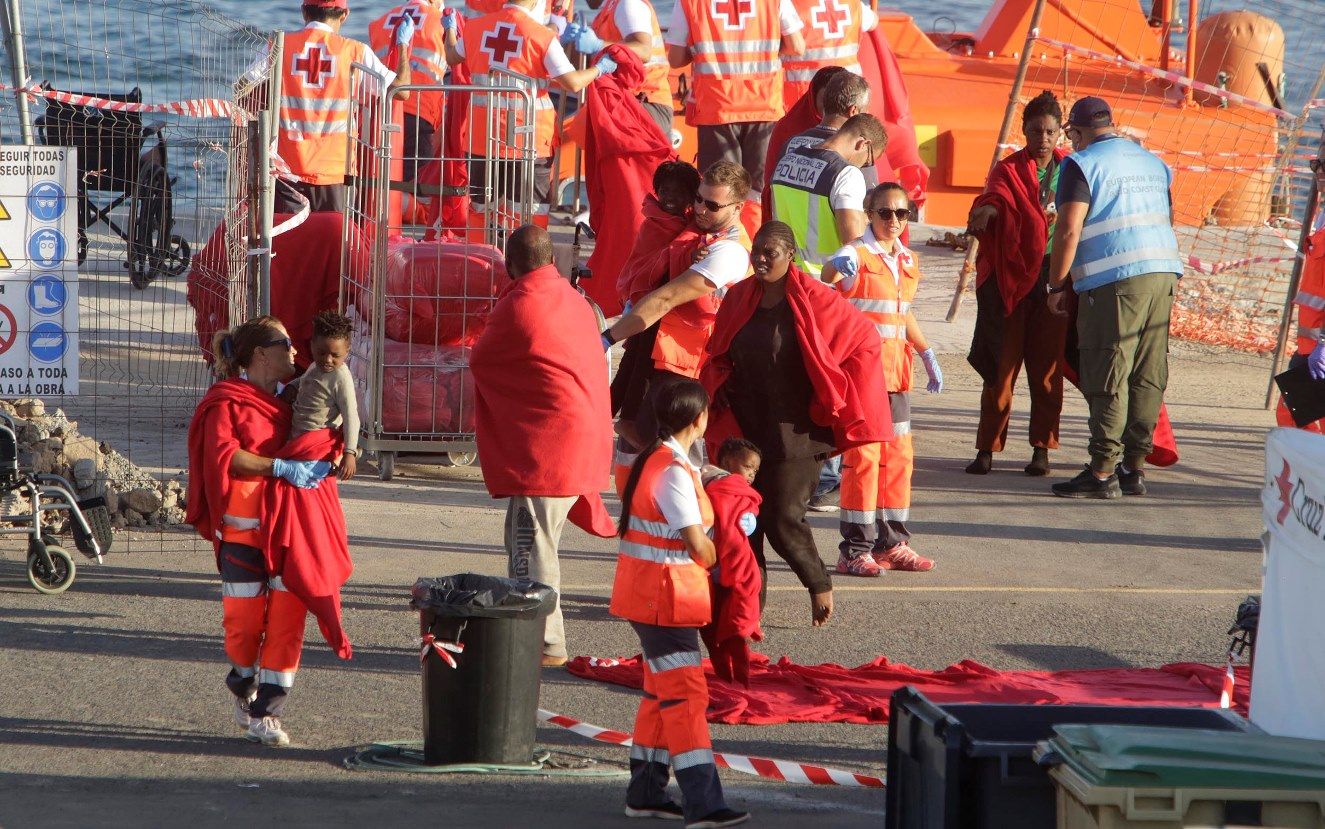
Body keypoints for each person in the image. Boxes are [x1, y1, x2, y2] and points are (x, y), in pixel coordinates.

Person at [703, 221, 892, 626]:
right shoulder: (739, 296)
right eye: (757, 249)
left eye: (770, 251)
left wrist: (832, 389)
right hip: (745, 425)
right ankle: (746, 614)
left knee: (781, 517)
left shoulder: (815, 298)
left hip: (799, 432)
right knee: (742, 520)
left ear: (791, 256)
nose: (761, 258)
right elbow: (718, 348)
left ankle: (818, 582)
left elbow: (864, 339)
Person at [186, 316, 341, 747]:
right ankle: (243, 682)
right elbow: (227, 457)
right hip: (242, 531)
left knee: (289, 620)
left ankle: (267, 711)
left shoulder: (300, 398)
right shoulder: (227, 402)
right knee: (243, 624)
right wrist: (280, 466)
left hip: (291, 529)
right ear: (260, 354)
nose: (296, 351)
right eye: (286, 343)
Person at [471, 225, 616, 667]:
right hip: (583, 437)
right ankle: (542, 638)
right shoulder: (575, 300)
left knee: (529, 545)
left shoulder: (519, 303)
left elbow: (482, 360)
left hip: (548, 448)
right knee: (541, 542)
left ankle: (546, 643)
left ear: (511, 266)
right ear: (552, 260)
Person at [610, 378, 749, 828]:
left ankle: (646, 793)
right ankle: (704, 803)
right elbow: (695, 544)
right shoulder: (671, 469)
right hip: (663, 600)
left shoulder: (661, 459)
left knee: (660, 693)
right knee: (686, 698)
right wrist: (723, 549)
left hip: (653, 597)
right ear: (699, 419)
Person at [1045, 96, 1184, 498]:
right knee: (1147, 371)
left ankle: (1102, 470)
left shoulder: (1081, 164)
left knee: (1108, 368)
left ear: (1078, 130)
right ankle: (1134, 468)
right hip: (1163, 273)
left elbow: (1069, 230)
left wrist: (1056, 285)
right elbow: (1167, 219)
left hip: (1115, 282)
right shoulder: (1152, 162)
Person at [822, 183, 939, 575]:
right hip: (862, 374)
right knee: (864, 461)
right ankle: (854, 549)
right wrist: (837, 265)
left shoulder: (906, 258)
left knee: (898, 460)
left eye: (902, 214)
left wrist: (925, 352)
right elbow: (828, 274)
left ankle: (893, 543)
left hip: (896, 375)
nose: (894, 221)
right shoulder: (856, 253)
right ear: (869, 213)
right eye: (885, 213)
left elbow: (902, 313)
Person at [604, 160, 754, 436]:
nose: (700, 209)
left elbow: (666, 299)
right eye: (698, 199)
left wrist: (608, 338)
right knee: (628, 430)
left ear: (737, 208)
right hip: (654, 345)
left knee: (661, 444)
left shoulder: (729, 251)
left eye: (712, 205)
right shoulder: (694, 228)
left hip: (685, 365)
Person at [965, 91, 1070, 476]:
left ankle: (1042, 449)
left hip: (1054, 279)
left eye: (1050, 131)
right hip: (1010, 283)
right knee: (1001, 369)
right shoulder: (1007, 170)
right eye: (1036, 130)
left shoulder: (1071, 171)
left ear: (1061, 133)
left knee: (1046, 371)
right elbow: (992, 199)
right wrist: (987, 211)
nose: (1043, 138)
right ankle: (986, 450)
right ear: (1024, 132)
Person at [443, 0, 615, 212]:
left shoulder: (475, 27)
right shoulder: (542, 36)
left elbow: (451, 55)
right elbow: (573, 82)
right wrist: (600, 68)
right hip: (528, 141)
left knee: (481, 211)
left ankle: (485, 246)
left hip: (482, 140)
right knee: (529, 215)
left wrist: (450, 28)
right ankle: (529, 247)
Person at [276, 0, 411, 214]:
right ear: (344, 15)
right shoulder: (355, 52)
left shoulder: (280, 45)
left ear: (303, 11)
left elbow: (245, 87)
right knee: (334, 242)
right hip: (335, 172)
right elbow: (401, 91)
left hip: (286, 171)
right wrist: (403, 46)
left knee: (289, 242)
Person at [665, 0, 805, 199]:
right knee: (762, 191)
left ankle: (731, 231)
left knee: (720, 192)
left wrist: (698, 51)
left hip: (717, 107)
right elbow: (797, 46)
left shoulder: (690, 3)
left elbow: (675, 58)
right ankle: (758, 229)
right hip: (763, 105)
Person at [769, 112, 884, 277]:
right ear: (862, 144)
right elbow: (853, 241)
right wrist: (869, 218)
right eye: (868, 161)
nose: (865, 166)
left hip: (783, 275)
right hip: (822, 280)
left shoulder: (787, 160)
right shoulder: (846, 174)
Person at [699, 438, 763, 688]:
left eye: (756, 470)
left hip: (707, 561)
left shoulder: (702, 480)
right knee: (732, 621)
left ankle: (727, 673)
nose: (752, 475)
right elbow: (730, 521)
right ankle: (739, 677)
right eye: (748, 467)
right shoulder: (729, 486)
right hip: (728, 562)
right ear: (726, 462)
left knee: (711, 624)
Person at [566, 0, 674, 136]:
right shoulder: (606, 12)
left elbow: (644, 50)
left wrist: (598, 45)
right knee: (582, 128)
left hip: (646, 102)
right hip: (626, 100)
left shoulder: (628, 4)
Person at [368, 0, 448, 183]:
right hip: (421, 110)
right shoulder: (442, 22)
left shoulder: (380, 22)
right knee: (417, 182)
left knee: (386, 178)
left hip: (385, 111)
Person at [1277, 156, 1325, 432]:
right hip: (1311, 349)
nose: (1319, 171)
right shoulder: (1322, 216)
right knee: (1292, 417)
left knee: (1293, 417)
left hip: (1319, 349)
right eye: (1316, 163)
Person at [285, 311, 361, 481]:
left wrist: (350, 452)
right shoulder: (315, 365)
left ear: (347, 351)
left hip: (316, 443)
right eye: (321, 353)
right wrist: (291, 387)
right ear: (312, 345)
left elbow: (351, 416)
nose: (327, 360)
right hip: (298, 437)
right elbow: (306, 380)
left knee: (304, 482)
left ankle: (331, 466)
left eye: (335, 355)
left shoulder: (341, 377)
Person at [780, 0, 878, 108]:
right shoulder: (853, 3)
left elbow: (793, 46)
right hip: (850, 90)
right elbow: (873, 22)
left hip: (806, 92)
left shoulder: (790, 3)